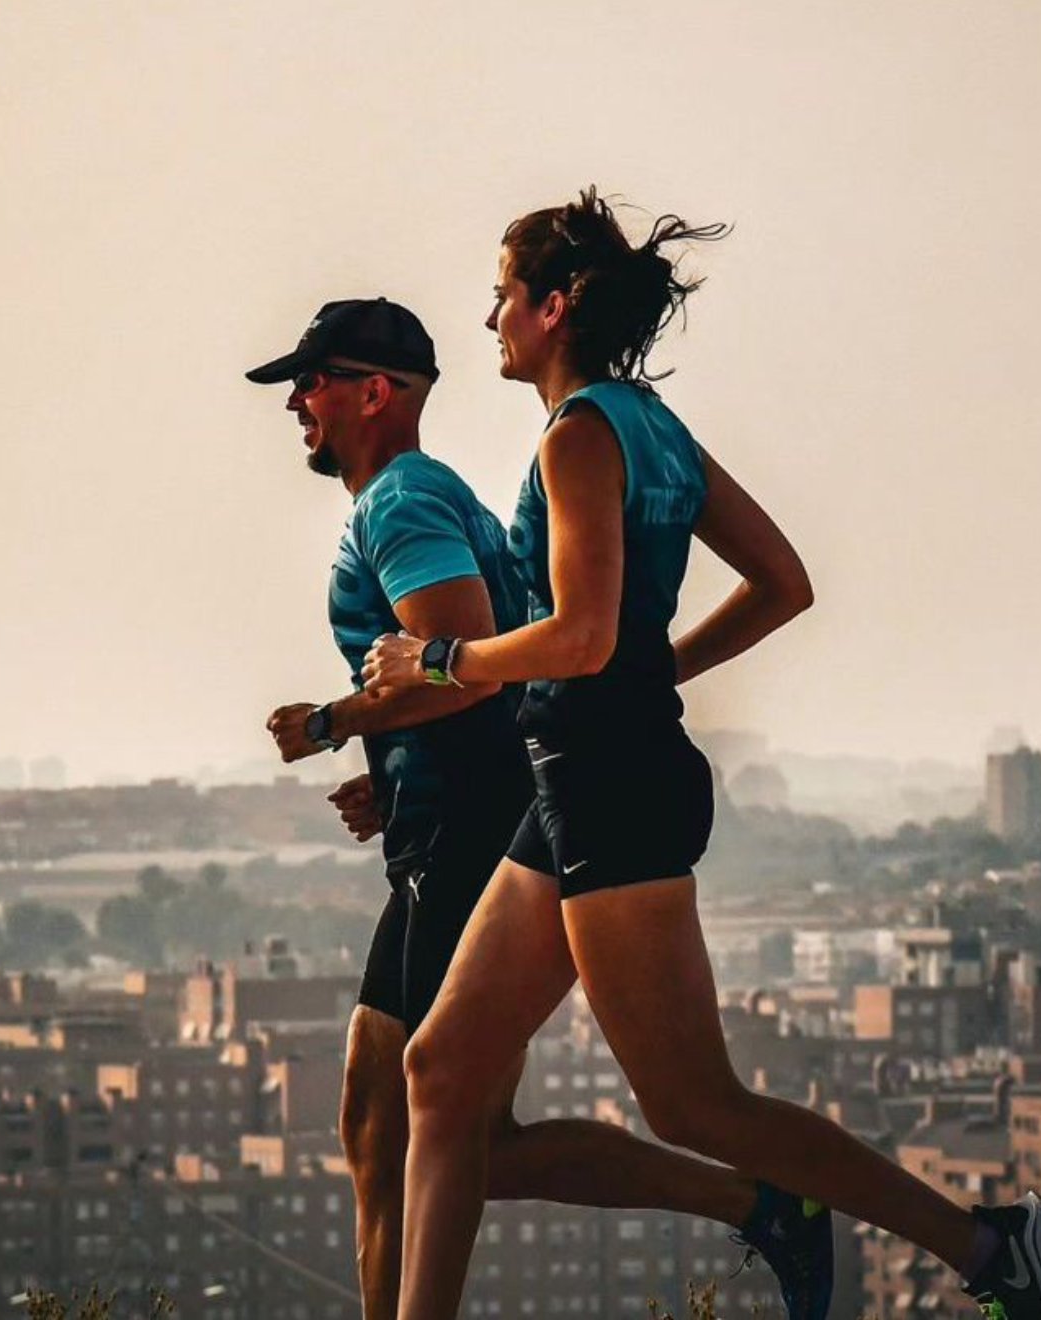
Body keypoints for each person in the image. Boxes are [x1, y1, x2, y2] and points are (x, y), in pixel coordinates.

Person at [361, 189, 1041, 1320]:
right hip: (582, 772)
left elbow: (580, 634)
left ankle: (993, 1248)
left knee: (696, 1107)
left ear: (556, 304)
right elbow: (783, 585)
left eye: (501, 297)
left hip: (608, 784)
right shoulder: (651, 427)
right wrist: (651, 672)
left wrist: (435, 662)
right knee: (438, 1074)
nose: (488, 320)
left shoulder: (580, 436)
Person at [248, 296, 832, 1319]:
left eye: (317, 380)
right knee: (382, 1119)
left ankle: (760, 1202)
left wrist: (338, 720)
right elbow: (494, 675)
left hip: (472, 834)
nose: (298, 399)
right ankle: (761, 1203)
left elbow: (464, 664)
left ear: (374, 393)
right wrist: (390, 767)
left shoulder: (403, 502)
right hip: (446, 822)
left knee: (450, 1129)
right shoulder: (423, 498)